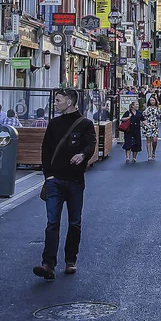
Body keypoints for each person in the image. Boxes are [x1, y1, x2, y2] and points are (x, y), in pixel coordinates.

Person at [33, 88, 96, 280]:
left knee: (74, 223)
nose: (55, 103)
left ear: (69, 102)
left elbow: (91, 145)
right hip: (55, 181)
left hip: (75, 181)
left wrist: (83, 154)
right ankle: (48, 263)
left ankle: (71, 260)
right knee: (52, 222)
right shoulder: (54, 124)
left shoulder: (85, 124)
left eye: (58, 100)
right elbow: (45, 151)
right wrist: (48, 176)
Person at [142, 95, 161, 160]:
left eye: (153, 100)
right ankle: (149, 155)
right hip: (148, 125)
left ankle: (153, 150)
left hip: (155, 126)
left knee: (154, 140)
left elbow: (160, 116)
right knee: (148, 140)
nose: (152, 101)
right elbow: (143, 116)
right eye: (150, 100)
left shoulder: (157, 108)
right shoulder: (147, 108)